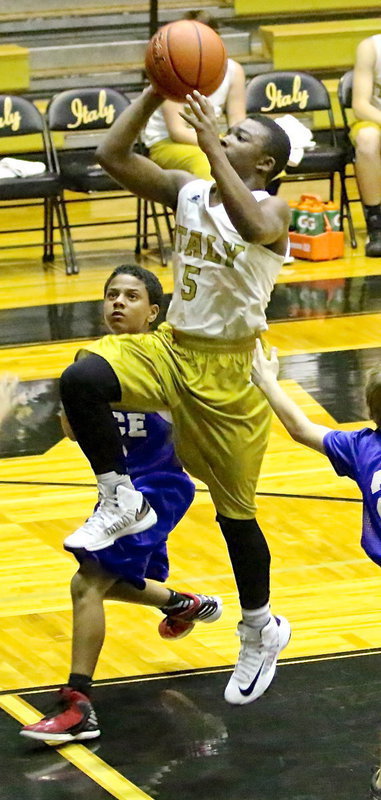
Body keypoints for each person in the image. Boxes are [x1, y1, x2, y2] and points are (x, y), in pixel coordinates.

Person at [58, 83, 292, 706]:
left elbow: (248, 224)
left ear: (264, 164)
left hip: (231, 374)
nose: (226, 136)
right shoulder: (190, 191)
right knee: (82, 377)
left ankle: (258, 627)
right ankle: (119, 499)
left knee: (236, 516)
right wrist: (153, 90)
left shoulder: (274, 209)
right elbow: (112, 155)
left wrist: (213, 143)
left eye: (243, 138)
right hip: (173, 348)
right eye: (227, 132)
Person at [20, 264, 222, 743]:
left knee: (87, 582)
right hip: (120, 491)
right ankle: (185, 603)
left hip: (159, 487)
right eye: (111, 294)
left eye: (131, 296)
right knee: (116, 583)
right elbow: (74, 429)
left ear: (153, 312)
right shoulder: (93, 363)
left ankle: (78, 705)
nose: (117, 302)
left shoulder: (166, 359)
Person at [252, 338, 381, 568]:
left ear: (370, 411)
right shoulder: (360, 447)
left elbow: (301, 429)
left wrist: (268, 381)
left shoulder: (361, 448)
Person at [143, 10, 246, 181]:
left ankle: (257, 206)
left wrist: (238, 145)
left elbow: (237, 120)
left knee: (257, 158)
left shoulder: (234, 70)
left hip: (213, 140)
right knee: (206, 163)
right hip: (168, 143)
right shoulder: (171, 69)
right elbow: (177, 131)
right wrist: (218, 146)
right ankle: (210, 207)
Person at [351, 35, 381, 257]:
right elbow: (360, 104)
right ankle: (377, 224)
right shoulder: (371, 47)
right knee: (367, 140)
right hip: (376, 118)